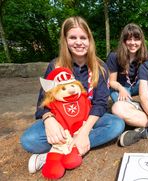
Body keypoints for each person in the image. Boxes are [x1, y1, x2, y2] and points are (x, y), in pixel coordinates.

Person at [20, 16, 125, 174]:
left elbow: (100, 104)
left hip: (87, 120)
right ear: (65, 40)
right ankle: (71, 149)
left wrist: (83, 133)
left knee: (116, 125)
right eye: (73, 37)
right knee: (29, 140)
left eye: (83, 37)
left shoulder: (100, 67)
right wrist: (49, 121)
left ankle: (55, 153)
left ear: (89, 40)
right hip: (61, 121)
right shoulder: (55, 65)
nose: (78, 42)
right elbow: (44, 101)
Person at [106, 23, 148, 102]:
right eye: (129, 39)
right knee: (120, 103)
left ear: (141, 41)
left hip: (138, 86)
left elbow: (147, 80)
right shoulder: (114, 56)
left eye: (136, 39)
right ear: (124, 41)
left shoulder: (146, 56)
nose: (133, 43)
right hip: (119, 87)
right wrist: (121, 89)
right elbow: (112, 81)